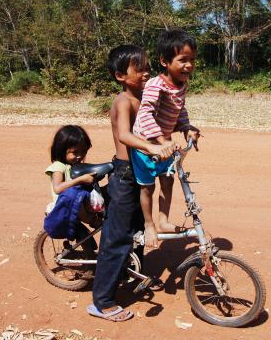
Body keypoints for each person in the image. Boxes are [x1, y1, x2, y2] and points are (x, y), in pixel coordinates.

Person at [88, 45, 175, 322]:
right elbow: (125, 135)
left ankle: (131, 271)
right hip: (125, 174)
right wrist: (151, 148)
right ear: (120, 76)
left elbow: (167, 120)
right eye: (139, 69)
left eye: (148, 67)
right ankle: (101, 302)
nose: (146, 72)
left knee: (138, 229)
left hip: (142, 171)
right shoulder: (123, 101)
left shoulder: (147, 99)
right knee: (117, 238)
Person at [132, 29, 201, 249]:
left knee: (168, 181)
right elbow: (145, 114)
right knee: (147, 188)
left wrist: (186, 128)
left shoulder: (181, 85)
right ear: (164, 61)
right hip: (146, 146)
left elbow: (179, 109)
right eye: (183, 60)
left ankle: (163, 220)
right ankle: (149, 223)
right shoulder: (156, 84)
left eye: (192, 60)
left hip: (165, 145)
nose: (188, 65)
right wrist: (162, 140)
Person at [44, 125, 100, 237]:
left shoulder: (75, 166)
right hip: (67, 206)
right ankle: (94, 221)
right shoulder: (59, 167)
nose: (80, 156)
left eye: (83, 151)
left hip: (76, 203)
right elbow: (58, 188)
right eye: (75, 152)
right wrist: (80, 180)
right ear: (61, 150)